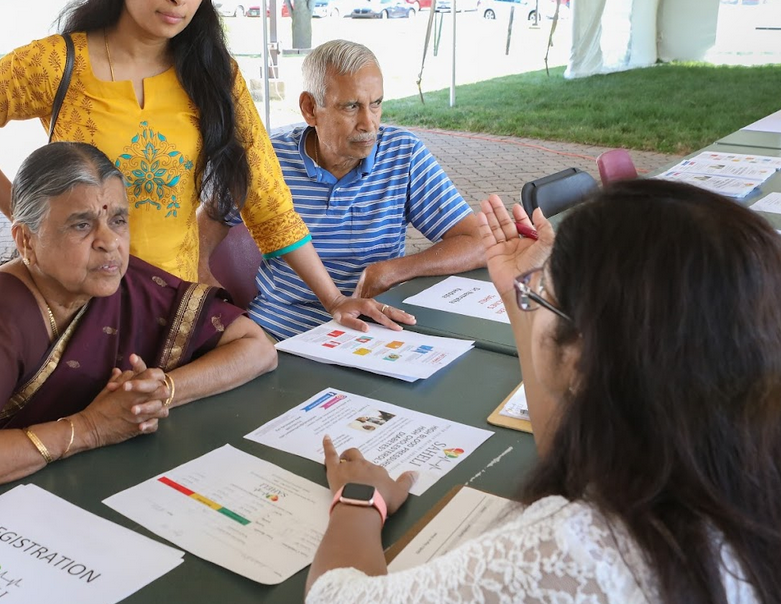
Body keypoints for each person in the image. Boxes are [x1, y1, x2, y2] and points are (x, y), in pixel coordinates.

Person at [0, 0, 410, 335]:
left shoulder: (213, 74)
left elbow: (267, 200)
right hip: (74, 302)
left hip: (171, 304)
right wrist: (28, 218)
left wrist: (334, 299)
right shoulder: (54, 65)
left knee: (240, 365)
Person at [305, 179, 780, 604]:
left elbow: (336, 596)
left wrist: (358, 500)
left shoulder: (578, 553)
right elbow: (567, 452)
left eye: (542, 291)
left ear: (582, 354)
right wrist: (517, 294)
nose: (532, 294)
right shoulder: (735, 461)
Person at [0, 142, 277, 503]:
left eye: (117, 220)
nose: (110, 241)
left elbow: (257, 348)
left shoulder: (120, 282)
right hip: (15, 510)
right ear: (26, 240)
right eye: (81, 225)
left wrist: (154, 393)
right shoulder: (1, 313)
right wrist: (91, 428)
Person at [199, 40, 484, 340]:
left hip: (370, 327)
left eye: (376, 104)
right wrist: (207, 287)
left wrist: (394, 270)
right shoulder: (267, 161)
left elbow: (477, 241)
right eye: (351, 107)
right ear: (310, 109)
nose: (369, 123)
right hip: (279, 331)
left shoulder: (403, 154)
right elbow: (206, 225)